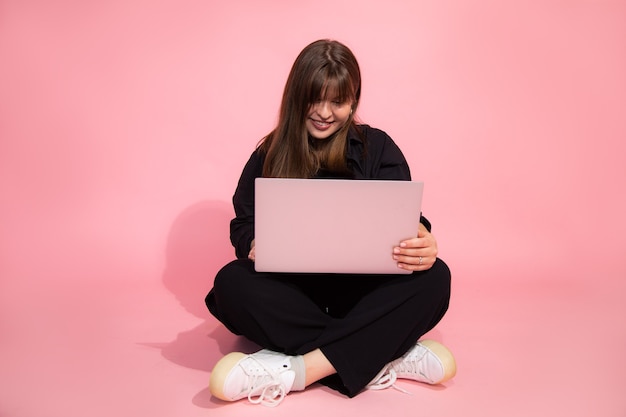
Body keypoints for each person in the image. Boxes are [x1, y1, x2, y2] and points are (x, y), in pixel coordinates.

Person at [205, 39, 455, 407]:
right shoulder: (269, 152)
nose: (324, 112)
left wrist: (424, 241)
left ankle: (297, 370)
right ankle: (388, 354)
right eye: (314, 100)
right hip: (294, 293)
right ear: (296, 97)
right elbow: (243, 224)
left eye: (337, 102)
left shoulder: (378, 148)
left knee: (437, 278)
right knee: (230, 283)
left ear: (353, 101)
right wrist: (254, 244)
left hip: (363, 294)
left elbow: (407, 219)